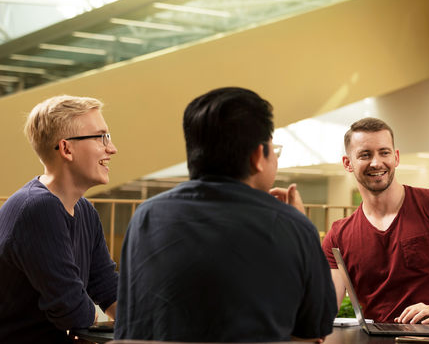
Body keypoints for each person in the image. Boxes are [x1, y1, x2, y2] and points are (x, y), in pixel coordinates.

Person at [115, 87, 337, 342]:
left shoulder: (146, 217)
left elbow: (132, 322)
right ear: (257, 157)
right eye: (273, 149)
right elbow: (317, 324)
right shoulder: (292, 225)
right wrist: (300, 224)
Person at [322, 117, 429, 324]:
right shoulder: (339, 235)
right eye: (365, 155)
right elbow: (324, 307)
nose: (376, 162)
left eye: (384, 152)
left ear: (396, 157)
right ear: (348, 163)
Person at [0, 95, 119, 344]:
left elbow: (108, 289)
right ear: (66, 148)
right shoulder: (37, 208)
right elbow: (72, 311)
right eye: (101, 137)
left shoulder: (84, 209)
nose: (111, 148)